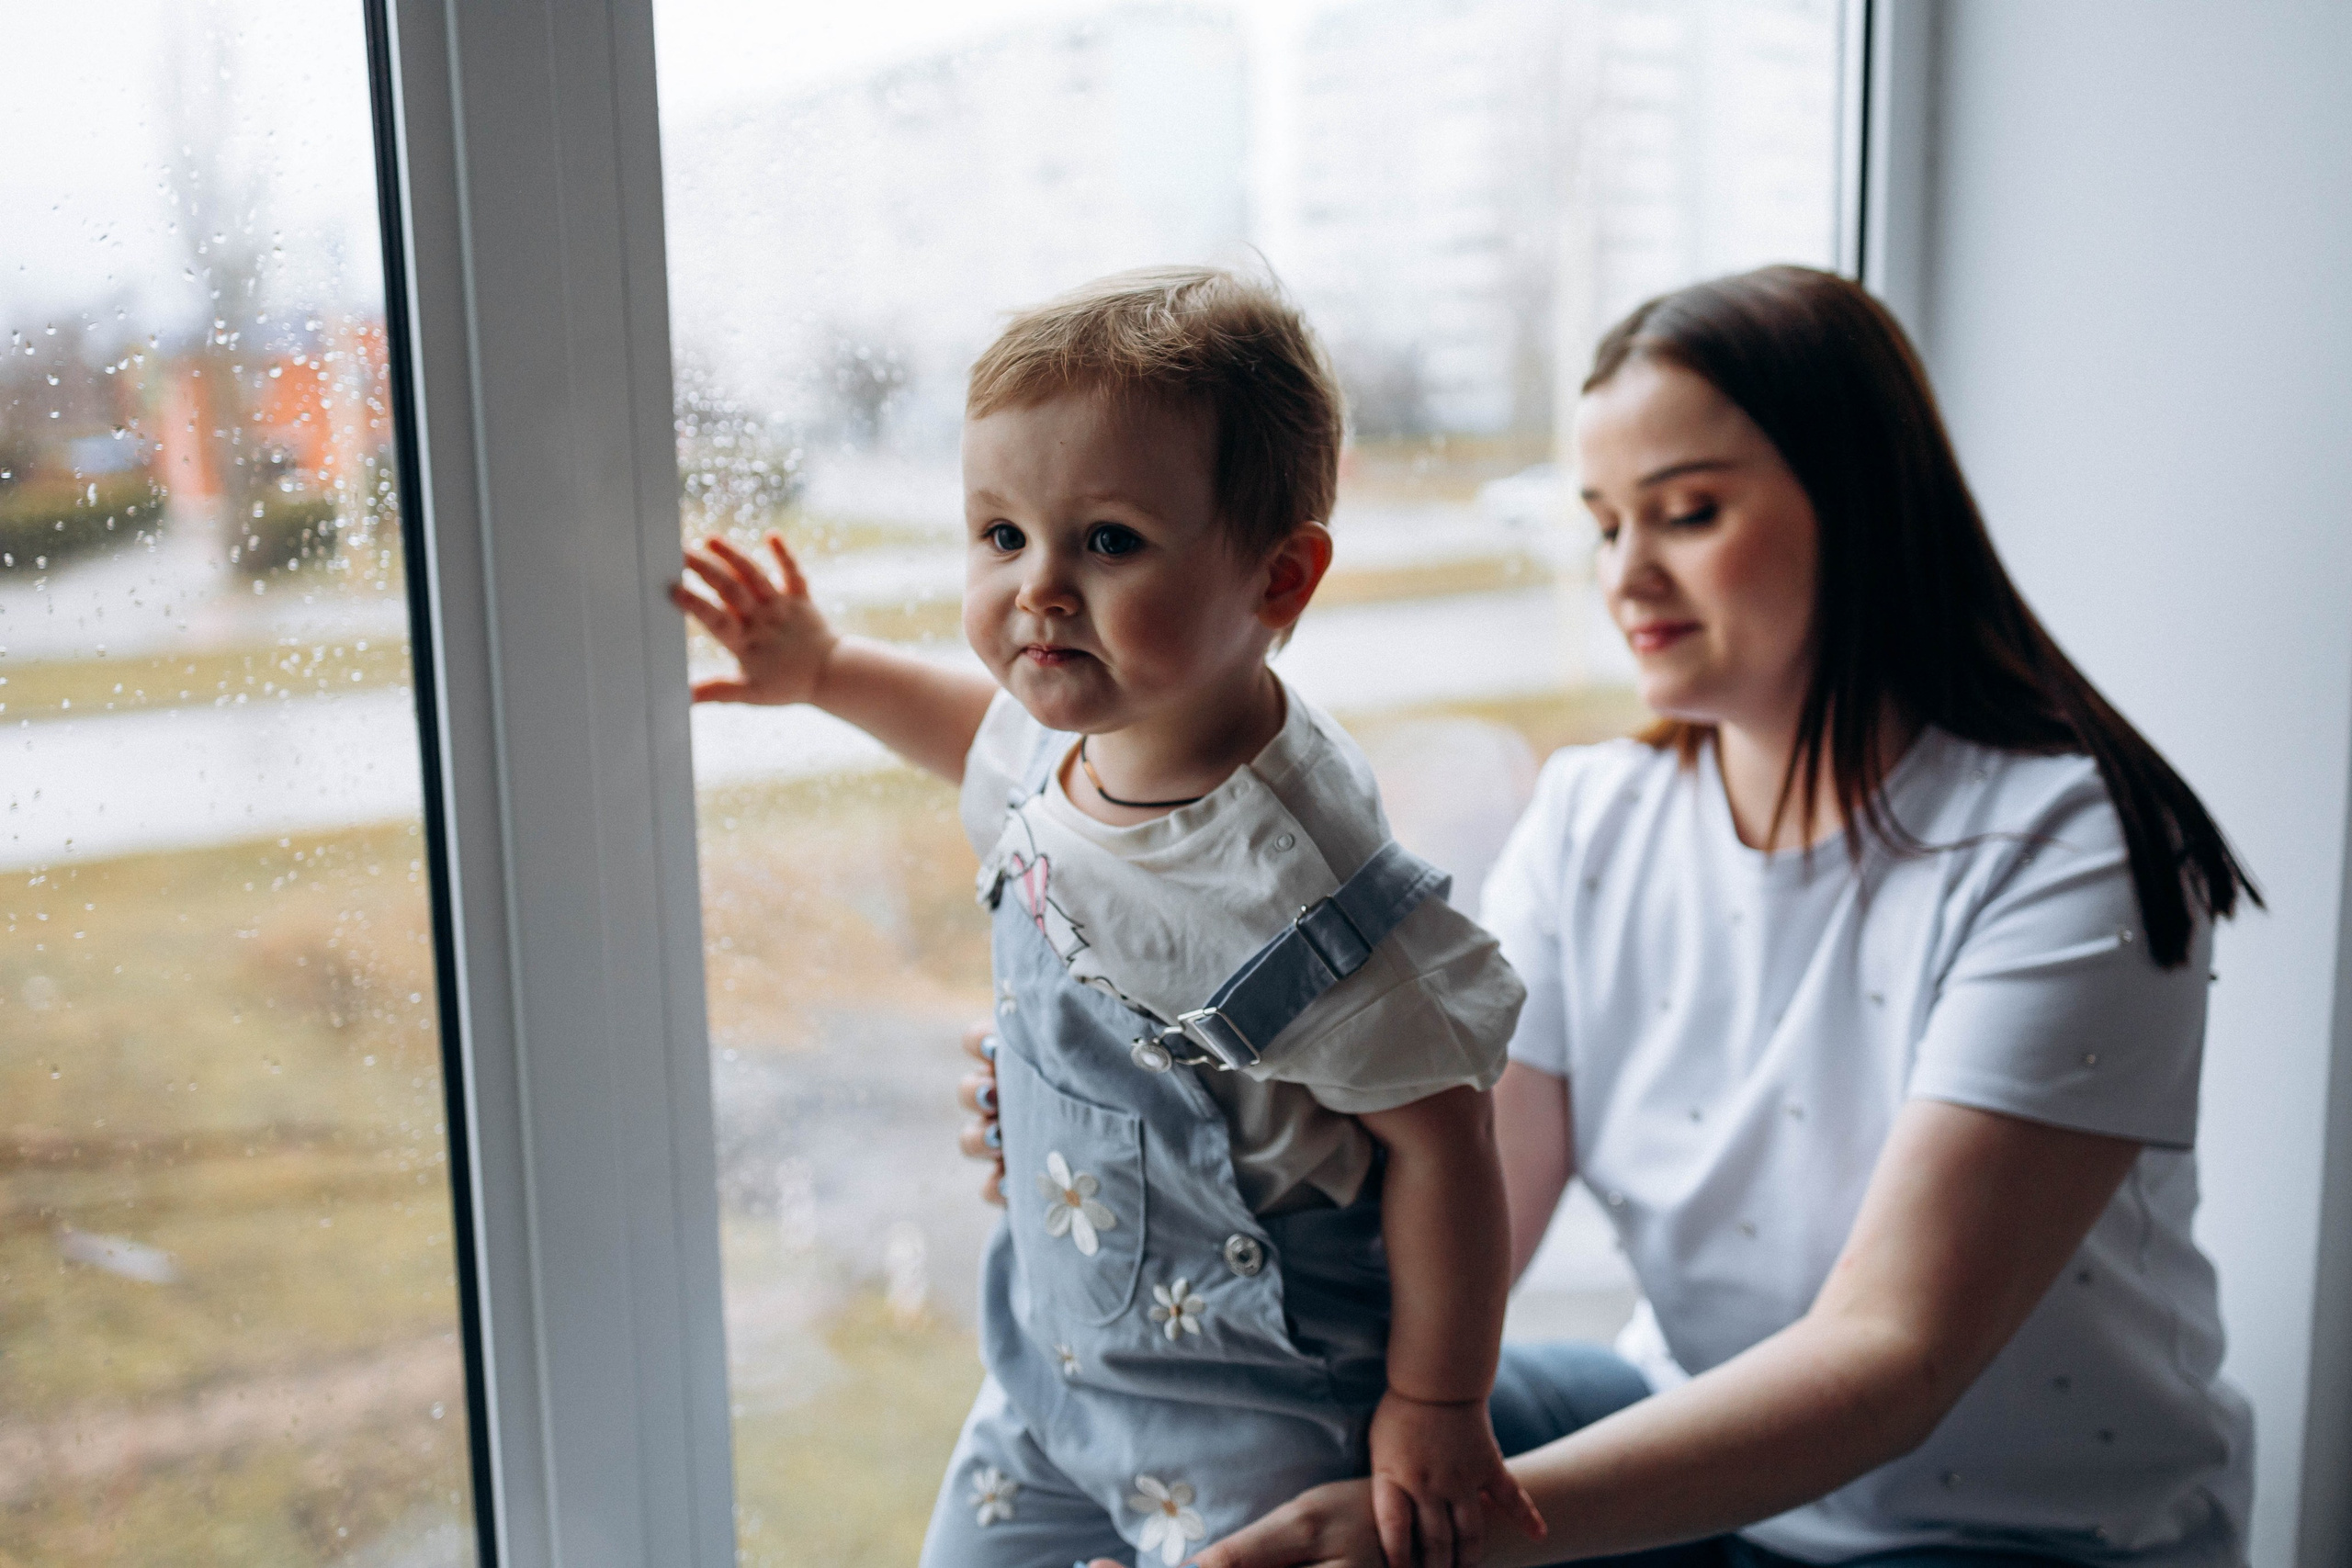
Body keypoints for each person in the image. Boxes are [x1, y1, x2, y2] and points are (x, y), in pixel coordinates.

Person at [965, 265, 2260, 1568]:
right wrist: (1140, 1148)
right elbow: (1459, 1193)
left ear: (1866, 506)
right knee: (1227, 1427)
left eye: (1687, 512)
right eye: (1600, 523)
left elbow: (1892, 1358)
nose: (1628, 572)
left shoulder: (2068, 847)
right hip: (1690, 1430)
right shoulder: (1599, 815)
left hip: (2007, 1533)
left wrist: (1442, 1535)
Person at [672, 265, 1545, 1568]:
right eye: (1002, 536)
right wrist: (826, 670)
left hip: (1257, 1404)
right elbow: (972, 728)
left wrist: (1436, 1402)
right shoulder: (1059, 735)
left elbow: (1446, 1141)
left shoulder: (1294, 881)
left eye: (1110, 542)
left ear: (1279, 579)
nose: (1039, 591)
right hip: (1055, 1365)